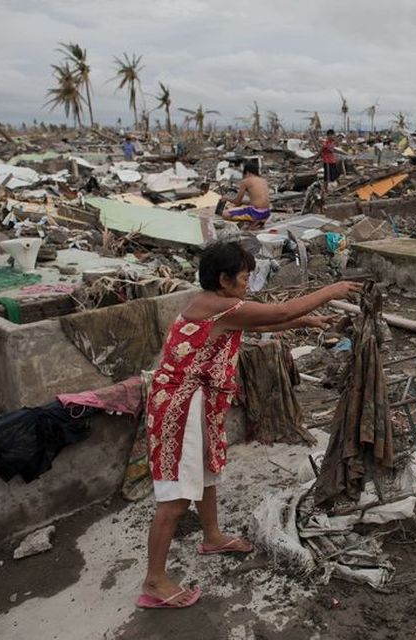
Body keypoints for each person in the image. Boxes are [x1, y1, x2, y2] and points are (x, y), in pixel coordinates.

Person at [138, 240, 361, 609]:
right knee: (175, 498)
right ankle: (154, 581)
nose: (248, 283)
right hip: (179, 407)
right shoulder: (218, 307)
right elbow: (279, 310)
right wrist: (331, 291)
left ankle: (211, 536)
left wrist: (309, 320)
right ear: (225, 280)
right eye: (244, 277)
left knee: (209, 471)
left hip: (199, 400)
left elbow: (272, 319)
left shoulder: (215, 304)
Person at [217, 160, 271, 228]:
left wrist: (226, 198)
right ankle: (257, 221)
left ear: (247, 172)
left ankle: (254, 220)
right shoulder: (263, 180)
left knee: (224, 213)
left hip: (256, 212)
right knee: (245, 205)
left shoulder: (246, 181)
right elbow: (255, 200)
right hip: (267, 212)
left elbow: (237, 201)